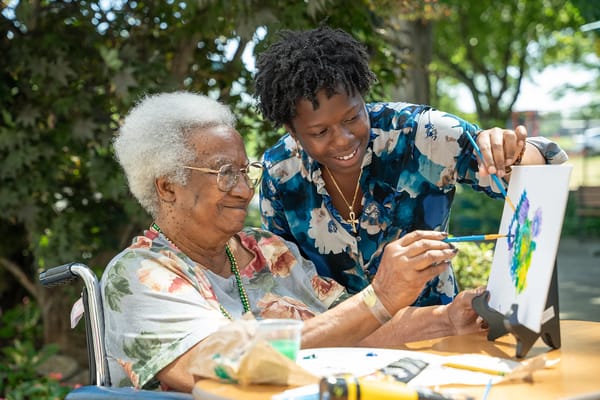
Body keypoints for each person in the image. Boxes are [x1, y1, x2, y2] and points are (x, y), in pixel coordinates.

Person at [101, 91, 485, 393]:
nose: (244, 190)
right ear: (167, 186)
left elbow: (357, 329)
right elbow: (219, 364)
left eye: (244, 171)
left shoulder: (267, 249)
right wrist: (380, 296)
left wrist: (448, 319)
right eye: (223, 174)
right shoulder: (138, 274)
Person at [254, 25, 568, 303]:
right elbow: (291, 278)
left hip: (438, 331)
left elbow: (541, 177)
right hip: (341, 345)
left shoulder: (424, 133)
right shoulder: (279, 174)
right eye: (320, 132)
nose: (343, 139)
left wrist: (512, 155)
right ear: (292, 131)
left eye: (352, 117)